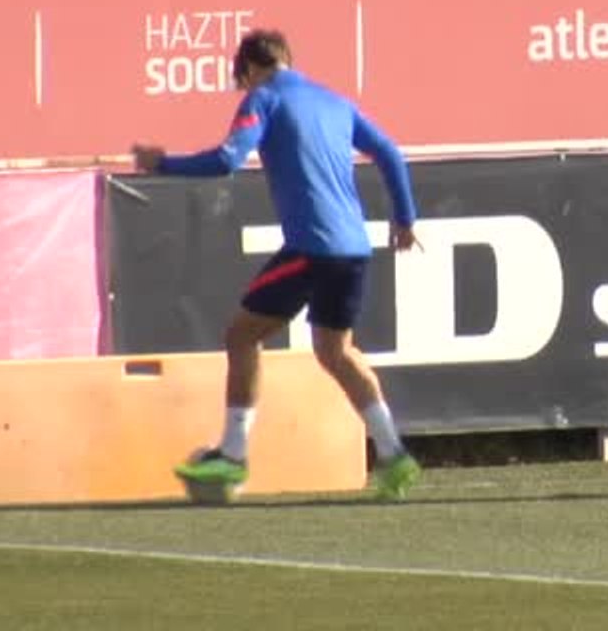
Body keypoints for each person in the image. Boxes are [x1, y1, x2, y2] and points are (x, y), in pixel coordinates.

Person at [132, 29, 423, 501]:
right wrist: (405, 218)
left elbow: (228, 158)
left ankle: (232, 455)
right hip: (353, 249)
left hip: (312, 247)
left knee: (242, 335)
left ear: (248, 69)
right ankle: (395, 456)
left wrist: (162, 164)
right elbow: (389, 152)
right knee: (336, 351)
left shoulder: (264, 98)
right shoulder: (333, 100)